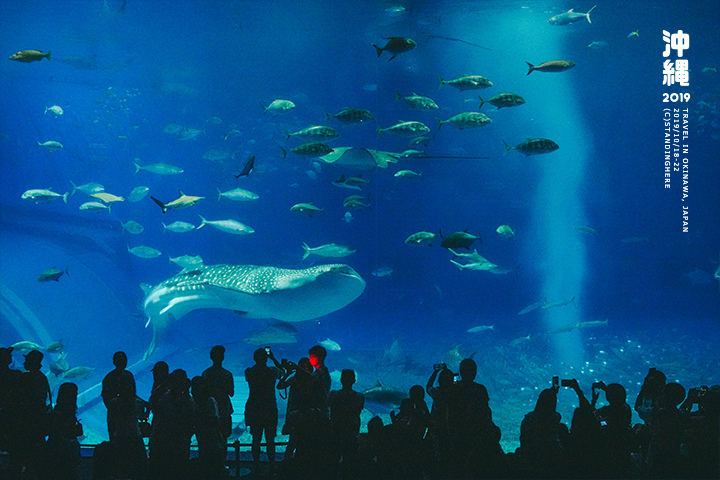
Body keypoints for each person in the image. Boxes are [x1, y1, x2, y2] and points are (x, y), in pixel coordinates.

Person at [149, 369, 197, 480]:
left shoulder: (187, 398)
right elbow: (153, 402)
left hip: (178, 440)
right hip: (165, 440)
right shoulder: (166, 396)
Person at [244, 347, 282, 477]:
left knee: (256, 439)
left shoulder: (249, 372)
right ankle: (272, 464)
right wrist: (272, 357)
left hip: (254, 407)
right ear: (266, 358)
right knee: (270, 439)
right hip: (269, 408)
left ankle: (256, 466)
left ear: (254, 358)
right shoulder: (272, 371)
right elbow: (282, 371)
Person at [517, 387, 568, 479]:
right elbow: (556, 416)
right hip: (550, 465)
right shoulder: (553, 423)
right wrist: (552, 395)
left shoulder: (529, 419)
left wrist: (549, 394)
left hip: (529, 464)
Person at [17, 349, 52, 477]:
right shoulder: (41, 377)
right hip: (38, 422)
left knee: (29, 454)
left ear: (32, 362)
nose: (24, 362)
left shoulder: (29, 378)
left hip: (30, 422)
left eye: (27, 360)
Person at [328, 369, 365, 478]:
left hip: (336, 432)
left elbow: (328, 405)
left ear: (341, 380)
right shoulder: (359, 397)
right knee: (350, 463)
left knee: (333, 463)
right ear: (354, 380)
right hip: (351, 433)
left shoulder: (333, 395)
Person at [42, 382, 83, 480]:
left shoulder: (57, 412)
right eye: (74, 394)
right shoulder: (63, 413)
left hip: (56, 450)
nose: (75, 396)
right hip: (64, 452)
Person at [191, 376, 226, 479]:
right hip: (205, 432)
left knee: (210, 453)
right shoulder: (199, 400)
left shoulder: (207, 400)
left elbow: (214, 419)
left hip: (209, 432)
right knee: (207, 453)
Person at [202, 346, 234, 445]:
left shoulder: (206, 374)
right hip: (224, 408)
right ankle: (222, 459)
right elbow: (231, 393)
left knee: (209, 438)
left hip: (209, 410)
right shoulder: (227, 374)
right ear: (223, 357)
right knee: (224, 437)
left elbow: (202, 393)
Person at [101, 351, 136, 439]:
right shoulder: (109, 378)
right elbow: (106, 398)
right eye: (119, 359)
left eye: (124, 359)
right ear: (114, 362)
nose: (122, 361)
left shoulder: (129, 375)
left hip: (129, 415)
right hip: (116, 416)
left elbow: (132, 394)